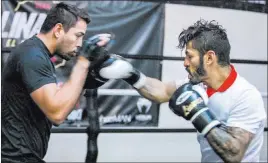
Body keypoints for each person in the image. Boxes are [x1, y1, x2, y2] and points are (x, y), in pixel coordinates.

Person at [93, 19, 267, 162]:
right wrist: (131, 74)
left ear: (209, 57)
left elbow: (234, 153)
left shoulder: (246, 96)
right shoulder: (198, 84)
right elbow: (161, 91)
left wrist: (199, 114)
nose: (185, 63)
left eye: (189, 56)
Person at [1, 2, 111, 162]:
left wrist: (87, 80)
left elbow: (57, 99)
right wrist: (83, 62)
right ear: (58, 30)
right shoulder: (32, 56)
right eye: (78, 35)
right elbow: (57, 113)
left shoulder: (38, 54)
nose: (80, 44)